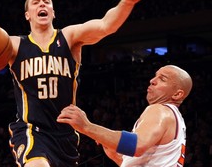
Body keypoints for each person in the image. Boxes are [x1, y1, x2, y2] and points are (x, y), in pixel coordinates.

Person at [0, 0, 157, 167]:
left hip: (66, 134)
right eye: (35, 2)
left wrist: (129, 1)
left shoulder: (70, 37)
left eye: (46, 1)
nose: (42, 4)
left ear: (53, 12)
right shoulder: (15, 45)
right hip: (31, 130)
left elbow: (106, 25)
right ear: (27, 15)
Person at [57, 65, 193, 166]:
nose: (152, 80)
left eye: (162, 79)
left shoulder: (160, 110)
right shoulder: (175, 119)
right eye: (155, 75)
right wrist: (117, 157)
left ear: (177, 94)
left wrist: (87, 127)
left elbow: (137, 145)